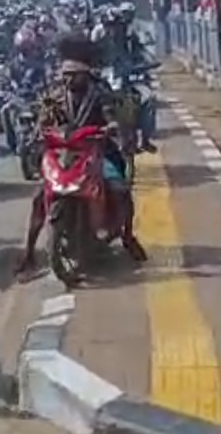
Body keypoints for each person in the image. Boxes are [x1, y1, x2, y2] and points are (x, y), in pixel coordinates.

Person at [18, 47, 147, 271]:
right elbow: (43, 119)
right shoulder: (55, 97)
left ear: (85, 75)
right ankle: (29, 252)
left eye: (74, 74)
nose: (68, 79)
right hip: (63, 154)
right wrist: (37, 132)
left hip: (97, 151)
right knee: (40, 196)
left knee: (119, 189)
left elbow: (110, 115)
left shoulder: (99, 95)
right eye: (65, 74)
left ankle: (127, 236)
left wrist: (111, 126)